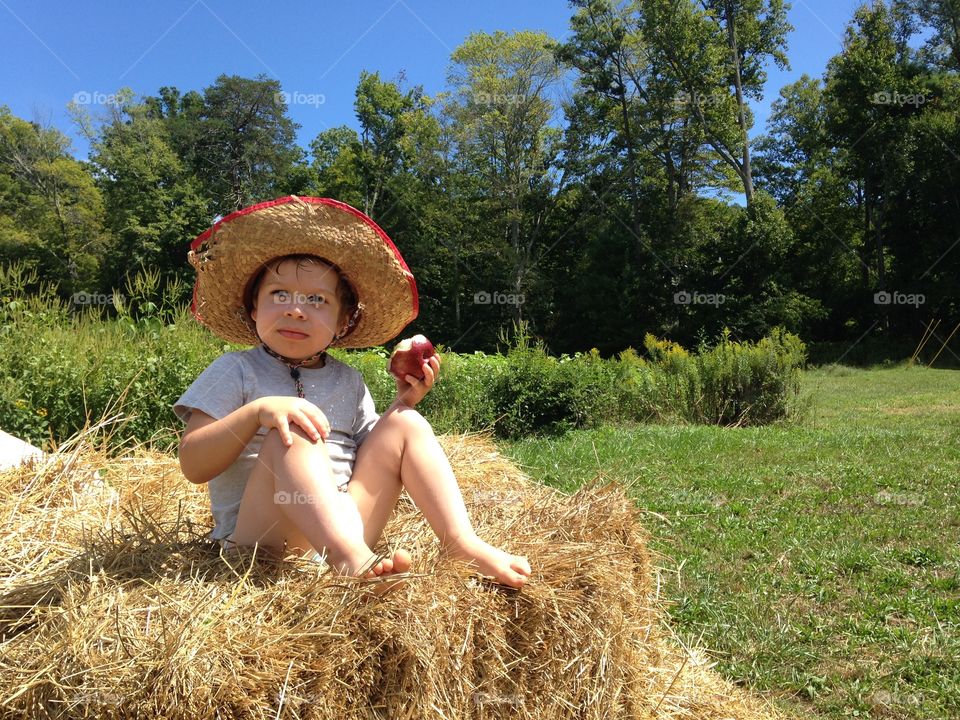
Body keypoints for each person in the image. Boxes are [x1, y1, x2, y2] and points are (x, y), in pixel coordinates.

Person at [174, 196, 531, 589]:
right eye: (279, 294)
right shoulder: (235, 370)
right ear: (253, 309)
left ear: (342, 323)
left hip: (343, 523)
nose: (296, 310)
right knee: (294, 430)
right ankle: (353, 560)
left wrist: (404, 403)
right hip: (262, 542)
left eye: (317, 300)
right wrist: (257, 412)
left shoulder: (349, 381)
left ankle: (461, 542)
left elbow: (376, 457)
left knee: (406, 425)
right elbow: (193, 464)